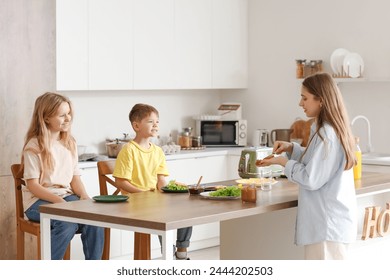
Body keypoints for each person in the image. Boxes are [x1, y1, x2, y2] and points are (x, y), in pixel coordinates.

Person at [257, 73, 357, 260]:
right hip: (329, 224)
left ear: (321, 100)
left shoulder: (326, 133)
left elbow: (311, 179)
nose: (300, 103)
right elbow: (318, 160)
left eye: (305, 98)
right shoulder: (326, 129)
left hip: (326, 227)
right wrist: (292, 148)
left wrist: (284, 163)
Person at [21, 92, 104, 260]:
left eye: (69, 113)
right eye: (62, 115)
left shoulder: (69, 143)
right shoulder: (34, 146)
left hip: (66, 198)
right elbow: (33, 186)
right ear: (46, 118)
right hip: (37, 202)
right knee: (66, 222)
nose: (68, 118)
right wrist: (60, 203)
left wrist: (84, 196)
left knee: (95, 219)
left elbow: (75, 177)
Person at [113, 103, 192, 260]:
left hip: (154, 200)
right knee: (163, 216)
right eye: (150, 121)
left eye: (157, 121)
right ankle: (168, 254)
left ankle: (181, 252)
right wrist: (144, 193)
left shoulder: (158, 151)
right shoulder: (128, 150)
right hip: (134, 202)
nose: (156, 124)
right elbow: (121, 182)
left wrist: (169, 192)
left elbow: (161, 180)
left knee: (186, 210)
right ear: (136, 125)